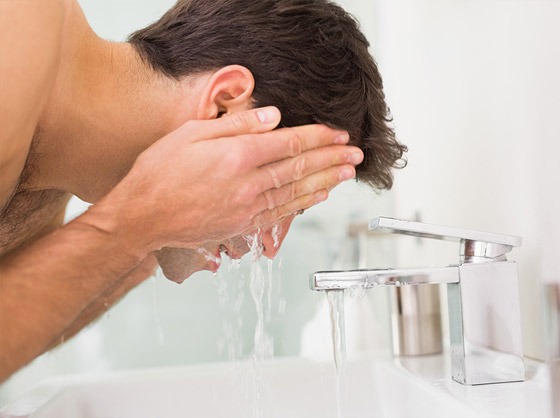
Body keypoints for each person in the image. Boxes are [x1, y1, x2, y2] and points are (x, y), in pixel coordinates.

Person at [0, 0, 406, 382]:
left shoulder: (55, 176)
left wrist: (153, 230)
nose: (270, 246)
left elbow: (18, 326)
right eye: (282, 189)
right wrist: (139, 221)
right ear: (224, 105)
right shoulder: (17, 31)